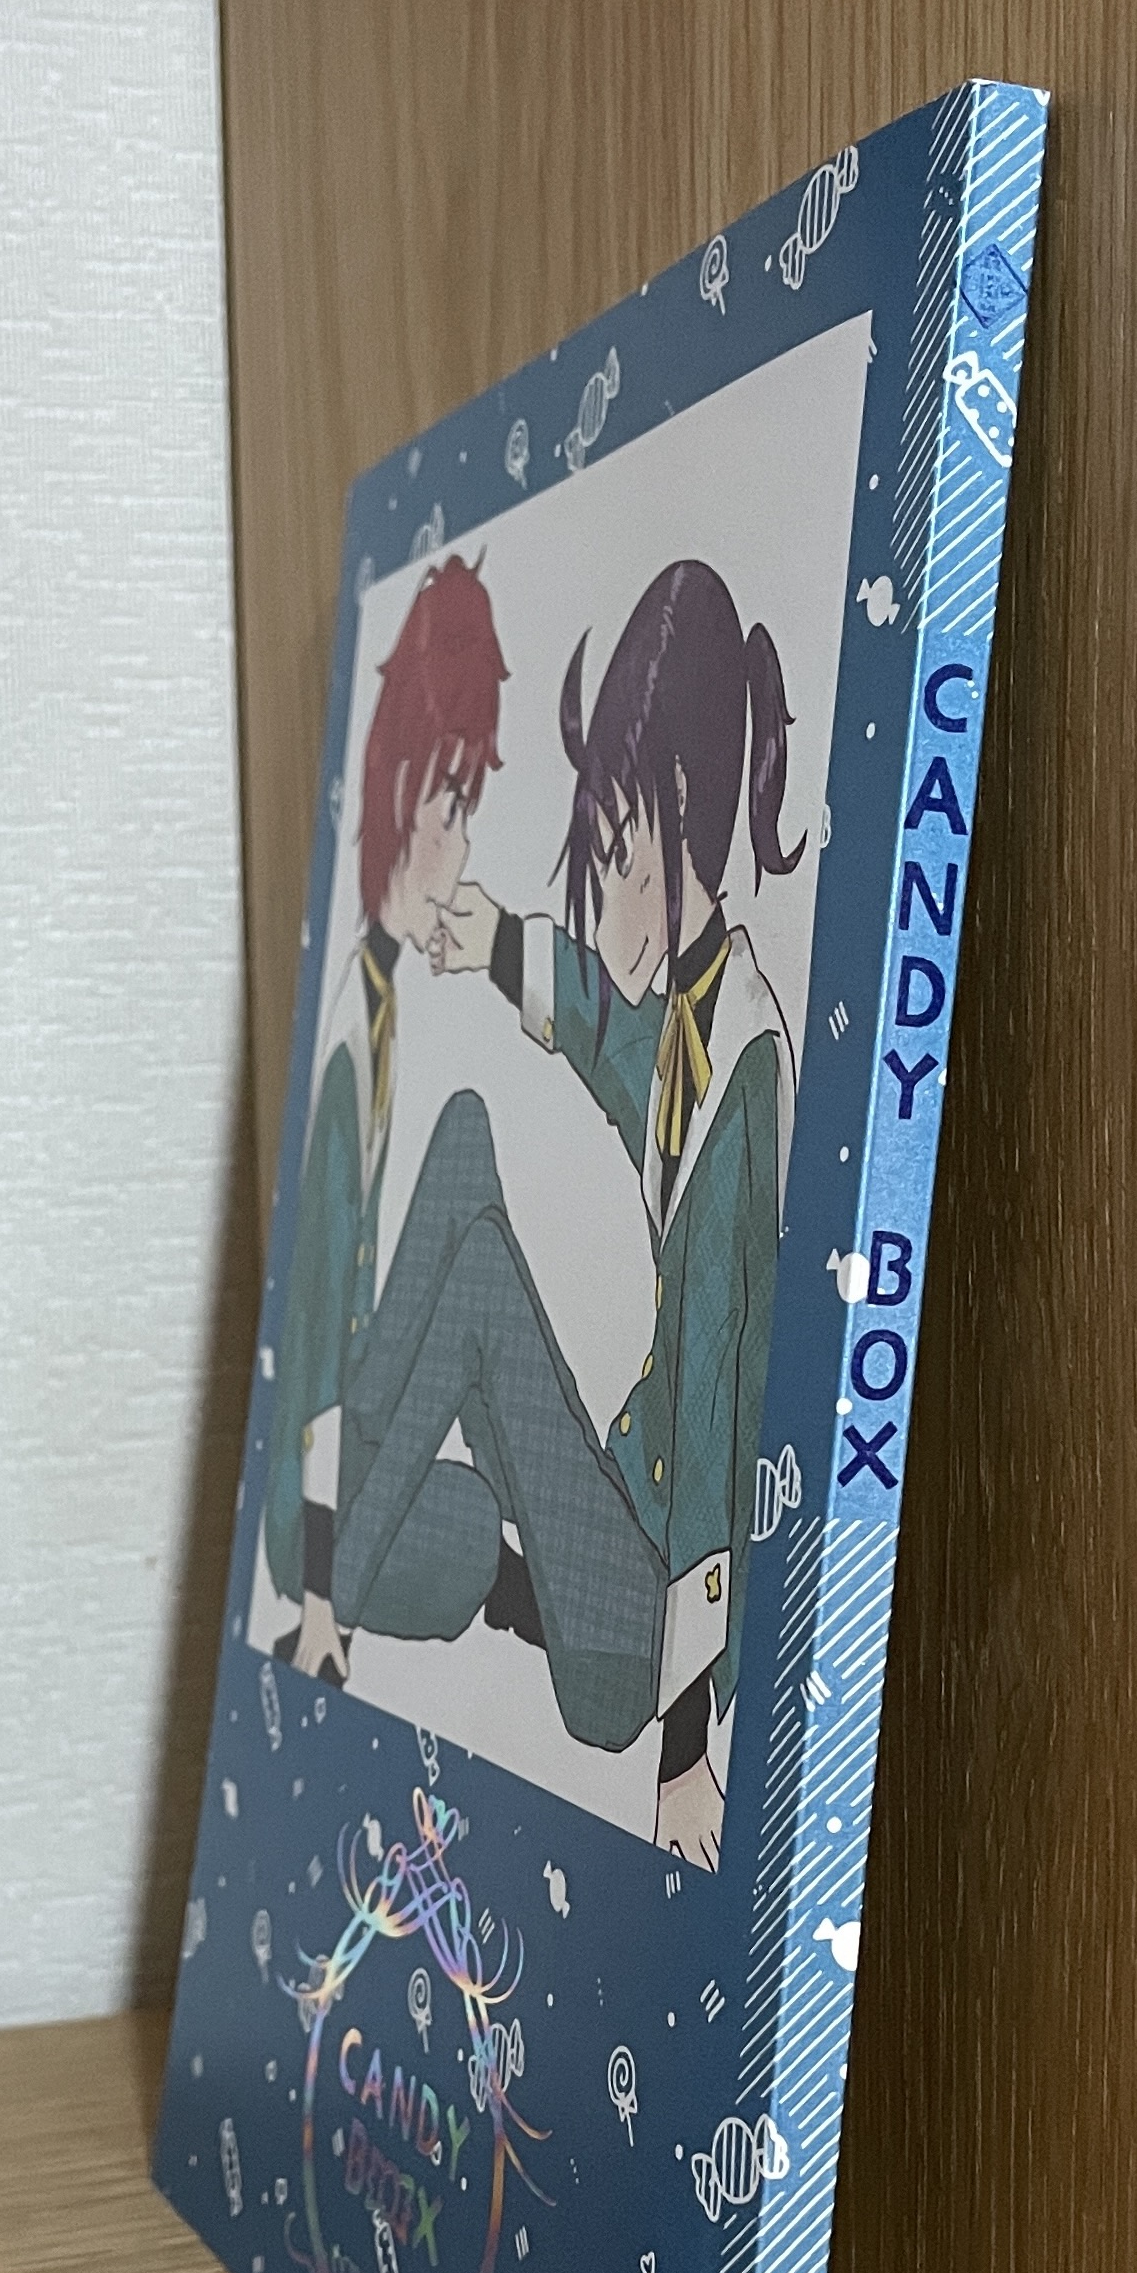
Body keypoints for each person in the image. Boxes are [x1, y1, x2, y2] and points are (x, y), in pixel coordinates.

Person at [369, 558, 803, 1865]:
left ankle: (355, 1545)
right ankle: (384, 1501)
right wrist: (496, 941)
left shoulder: (745, 1070)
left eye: (618, 857)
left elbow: (720, 1424)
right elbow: (617, 1050)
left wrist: (686, 1759)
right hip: (613, 1518)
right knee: (461, 1146)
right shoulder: (688, 1016)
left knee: (481, 1285)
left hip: (645, 1631)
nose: (604, 895)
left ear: (687, 815)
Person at [265, 554, 509, 1685]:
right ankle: (390, 1568)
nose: (461, 851)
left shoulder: (380, 987)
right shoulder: (341, 1051)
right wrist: (321, 1605)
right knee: (464, 1536)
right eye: (451, 810)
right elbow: (317, 1347)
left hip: (361, 1413)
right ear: (401, 794)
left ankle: (542, 1506)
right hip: (309, 1503)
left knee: (464, 1132)